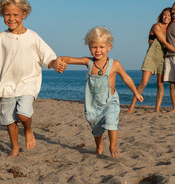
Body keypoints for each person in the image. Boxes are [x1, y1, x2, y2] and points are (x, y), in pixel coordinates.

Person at [0, 0, 66, 157]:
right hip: (7, 86)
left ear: (24, 14)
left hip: (28, 82)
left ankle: (28, 129)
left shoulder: (33, 37)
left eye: (15, 15)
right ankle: (15, 147)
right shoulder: (1, 38)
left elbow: (47, 56)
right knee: (9, 120)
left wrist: (54, 64)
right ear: (2, 15)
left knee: (24, 113)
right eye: (7, 15)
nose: (11, 18)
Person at [58, 26, 143, 157]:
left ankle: (113, 146)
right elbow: (70, 59)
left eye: (102, 47)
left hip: (110, 101)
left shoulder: (115, 64)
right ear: (89, 47)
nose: (98, 50)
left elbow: (126, 78)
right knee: (96, 128)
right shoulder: (88, 62)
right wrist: (60, 60)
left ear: (109, 47)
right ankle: (98, 146)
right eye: (94, 47)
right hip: (93, 103)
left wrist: (136, 93)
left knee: (111, 122)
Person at [127, 8, 175, 113]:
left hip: (163, 57)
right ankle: (131, 107)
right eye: (165, 15)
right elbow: (164, 43)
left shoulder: (169, 28)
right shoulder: (156, 26)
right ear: (161, 15)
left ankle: (157, 108)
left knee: (160, 84)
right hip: (151, 56)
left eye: (169, 16)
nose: (166, 17)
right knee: (144, 82)